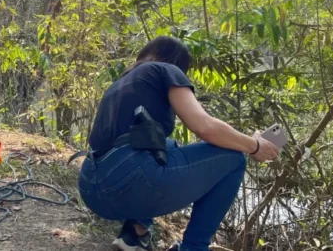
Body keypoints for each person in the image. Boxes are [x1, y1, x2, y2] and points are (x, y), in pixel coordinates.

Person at [78, 36, 280, 251]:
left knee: (167, 146)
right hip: (131, 180)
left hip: (90, 186)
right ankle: (193, 248)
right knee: (234, 159)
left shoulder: (120, 82)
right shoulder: (165, 69)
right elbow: (204, 126)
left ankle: (134, 234)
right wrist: (254, 145)